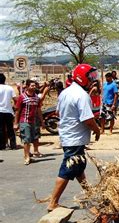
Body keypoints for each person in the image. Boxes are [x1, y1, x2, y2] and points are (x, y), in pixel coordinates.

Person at [46, 64, 101, 212]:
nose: (92, 80)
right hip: (75, 138)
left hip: (68, 135)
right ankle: (53, 202)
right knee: (67, 169)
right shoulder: (82, 95)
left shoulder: (66, 92)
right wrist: (97, 130)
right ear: (82, 77)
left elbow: (58, 112)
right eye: (90, 77)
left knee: (78, 167)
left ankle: (90, 194)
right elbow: (88, 119)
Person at [14, 79, 43, 165]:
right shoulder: (22, 97)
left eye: (35, 86)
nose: (34, 87)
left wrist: (42, 121)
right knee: (26, 139)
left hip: (33, 121)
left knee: (32, 138)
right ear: (27, 86)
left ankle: (30, 154)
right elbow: (17, 111)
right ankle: (26, 156)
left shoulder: (36, 98)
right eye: (32, 86)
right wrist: (16, 123)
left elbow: (38, 110)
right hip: (24, 121)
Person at [0, 73, 17, 150]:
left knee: (1, 129)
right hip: (9, 111)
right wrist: (15, 107)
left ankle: (2, 145)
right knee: (10, 129)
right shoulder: (9, 88)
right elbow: (15, 99)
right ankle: (13, 145)